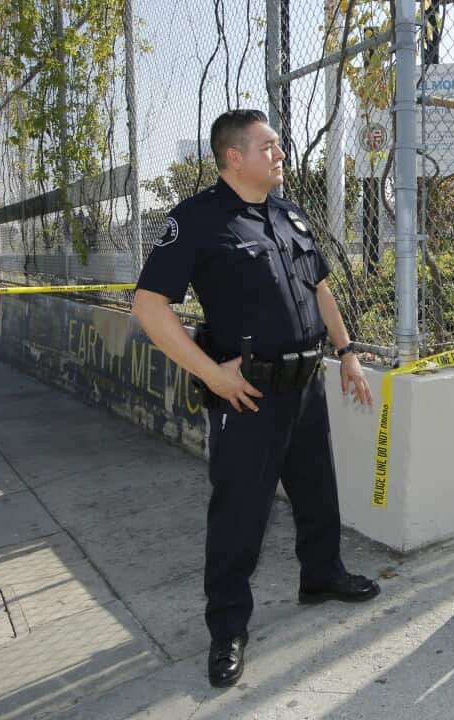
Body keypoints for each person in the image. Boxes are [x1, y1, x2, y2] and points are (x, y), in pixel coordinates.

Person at [131, 109, 380, 688]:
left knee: (318, 491)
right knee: (241, 513)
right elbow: (149, 306)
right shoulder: (196, 220)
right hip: (246, 394)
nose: (280, 154)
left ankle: (322, 575)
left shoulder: (289, 214)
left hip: (306, 384)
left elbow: (319, 288)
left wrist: (344, 352)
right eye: (268, 146)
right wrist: (211, 374)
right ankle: (227, 628)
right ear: (233, 157)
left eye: (279, 146)